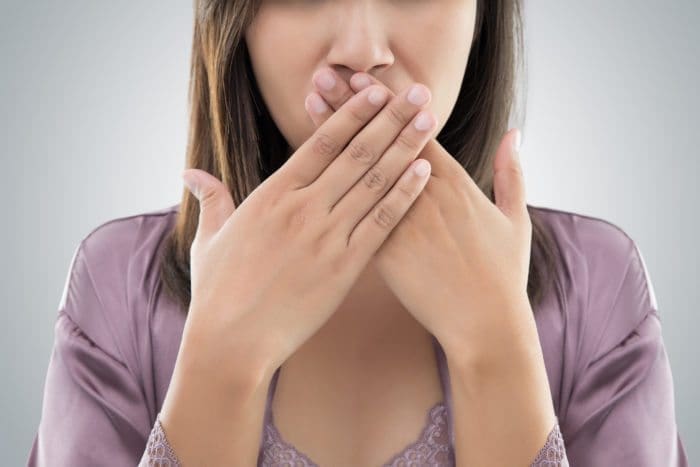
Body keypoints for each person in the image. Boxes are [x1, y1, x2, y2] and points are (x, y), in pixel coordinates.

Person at [28, 0, 689, 465]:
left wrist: (496, 346)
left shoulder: (598, 288)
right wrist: (221, 361)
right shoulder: (116, 287)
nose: (362, 53)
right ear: (235, 20)